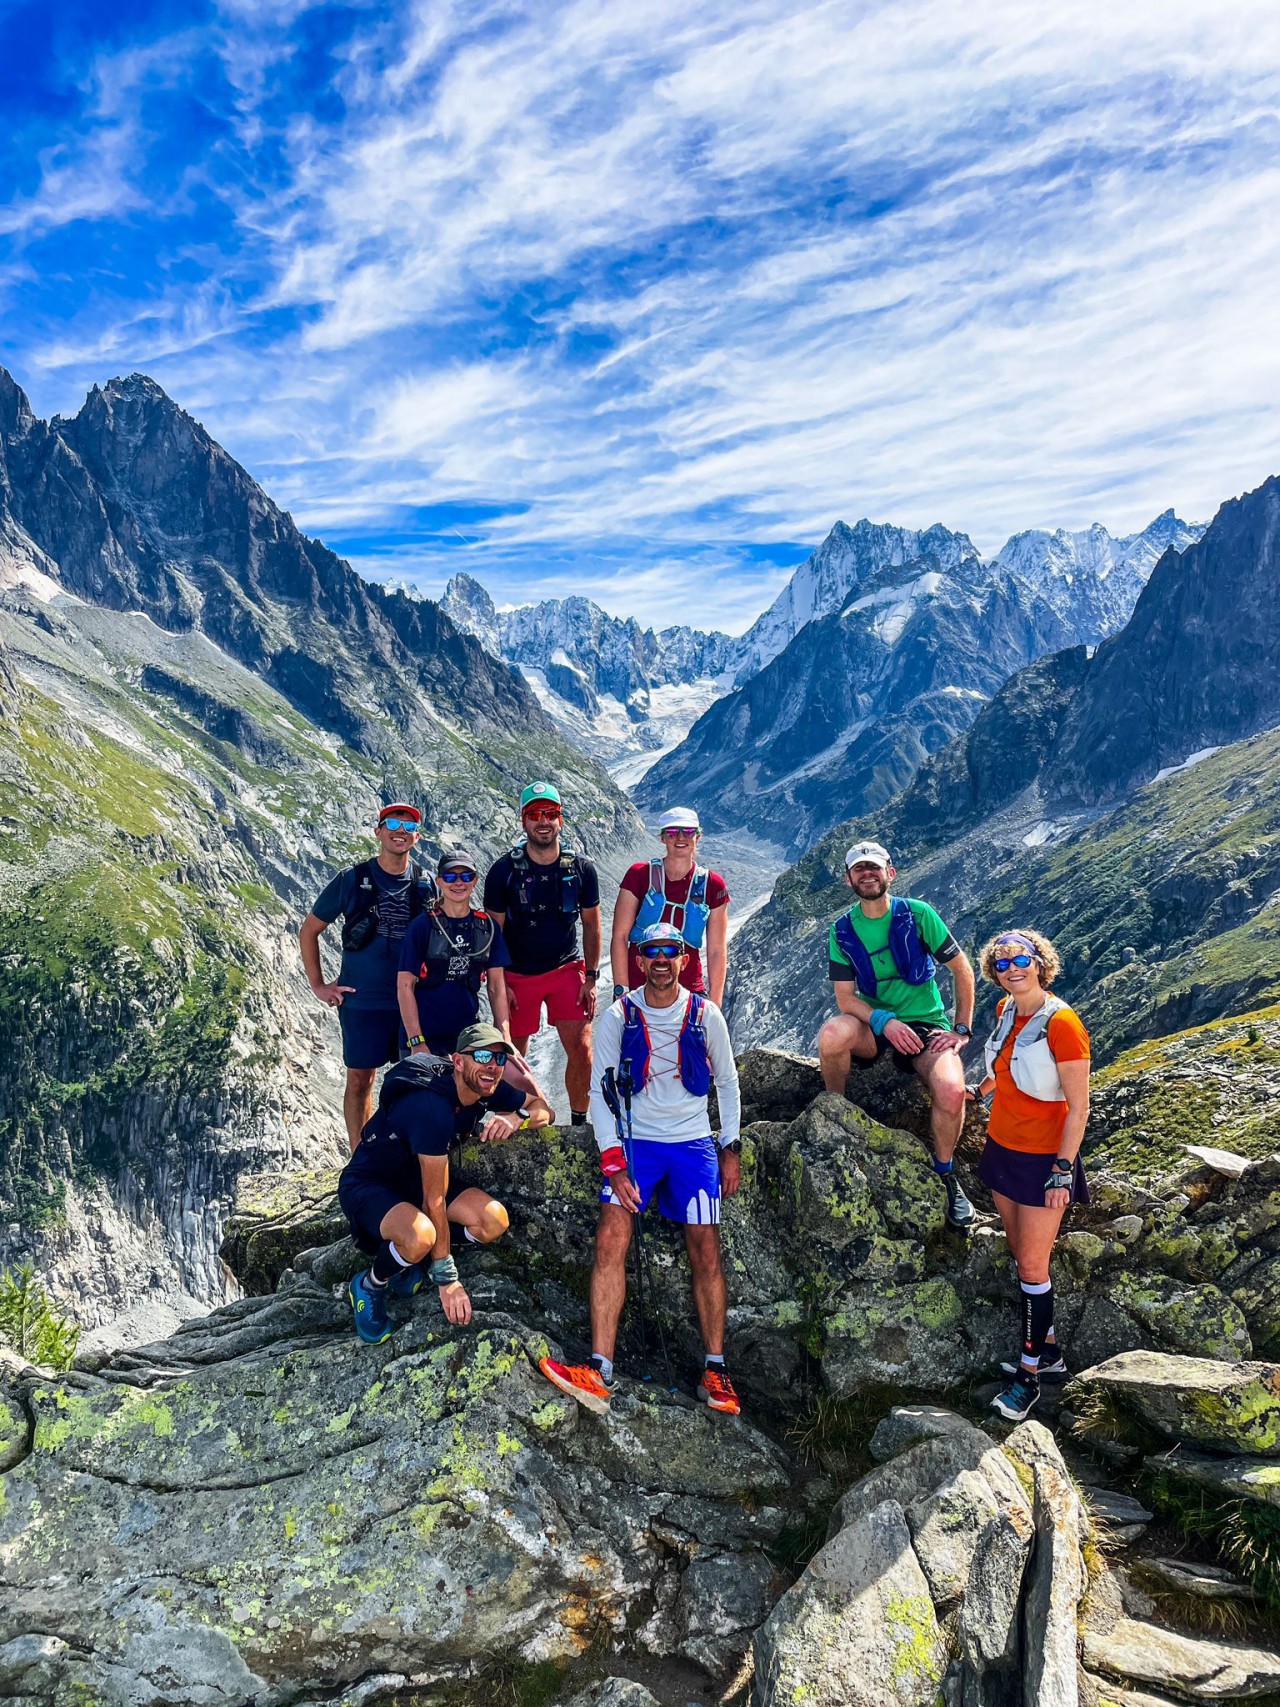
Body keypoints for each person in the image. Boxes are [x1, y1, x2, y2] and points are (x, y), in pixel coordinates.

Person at [538, 921, 744, 1417]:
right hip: (636, 1147)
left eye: (669, 951)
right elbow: (601, 1097)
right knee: (611, 1235)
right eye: (650, 951)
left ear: (683, 959)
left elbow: (729, 1084)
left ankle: (716, 1370)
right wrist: (613, 1165)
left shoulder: (704, 1014)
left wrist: (730, 1147)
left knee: (706, 1248)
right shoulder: (618, 1017)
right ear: (639, 959)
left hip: (694, 1143)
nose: (660, 960)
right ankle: (599, 1366)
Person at [338, 1023, 553, 1343]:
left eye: (499, 1060)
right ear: (458, 1061)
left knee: (493, 1220)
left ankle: (413, 1254)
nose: (492, 1067)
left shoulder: (484, 1088)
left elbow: (543, 1110)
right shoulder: (430, 1108)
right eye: (482, 1056)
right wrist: (447, 1281)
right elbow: (434, 1201)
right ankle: (369, 1284)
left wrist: (515, 1117)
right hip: (371, 1183)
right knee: (420, 1233)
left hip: (418, 1178)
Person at [818, 839, 977, 1229]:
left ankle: (945, 1172)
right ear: (849, 879)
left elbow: (962, 969)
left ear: (890, 872)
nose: (867, 874)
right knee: (832, 1035)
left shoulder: (920, 915)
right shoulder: (841, 932)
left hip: (927, 1026)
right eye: (859, 869)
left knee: (952, 1091)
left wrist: (961, 1030)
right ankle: (834, 1112)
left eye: (874, 867)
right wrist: (884, 1021)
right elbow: (845, 999)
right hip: (876, 1024)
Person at [969, 930, 1091, 1423]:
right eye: (1001, 964)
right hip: (1003, 1149)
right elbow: (1006, 1066)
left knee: (1033, 1270)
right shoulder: (1006, 1011)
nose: (1012, 969)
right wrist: (979, 1090)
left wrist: (1063, 1170)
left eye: (1021, 959)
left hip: (1044, 1161)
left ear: (1041, 963)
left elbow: (1079, 1107)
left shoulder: (1063, 1023)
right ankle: (1051, 1353)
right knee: (1021, 1254)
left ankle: (1028, 1378)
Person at [300, 803, 437, 1151]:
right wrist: (319, 985)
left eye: (408, 826)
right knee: (361, 1079)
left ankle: (407, 1155)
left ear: (417, 837)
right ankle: (361, 1158)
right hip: (363, 1001)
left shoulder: (426, 884)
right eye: (392, 823)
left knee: (414, 1079)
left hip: (411, 1003)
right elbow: (309, 931)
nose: (400, 830)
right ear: (378, 832)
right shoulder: (351, 879)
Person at [483, 782, 602, 1124]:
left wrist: (591, 977)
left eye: (550, 814)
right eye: (535, 815)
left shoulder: (581, 869)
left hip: (565, 968)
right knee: (509, 1055)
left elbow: (592, 926)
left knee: (581, 1049)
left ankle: (579, 1122)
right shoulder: (503, 872)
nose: (543, 821)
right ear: (523, 822)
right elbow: (494, 932)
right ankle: (513, 1117)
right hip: (517, 973)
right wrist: (499, 983)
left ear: (560, 819)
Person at [609, 807, 730, 1004]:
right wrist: (622, 992)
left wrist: (714, 1005)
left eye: (688, 832)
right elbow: (620, 936)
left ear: (698, 837)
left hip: (689, 990)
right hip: (638, 990)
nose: (680, 837)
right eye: (672, 833)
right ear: (663, 838)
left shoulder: (713, 885)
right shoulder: (638, 875)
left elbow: (716, 950)